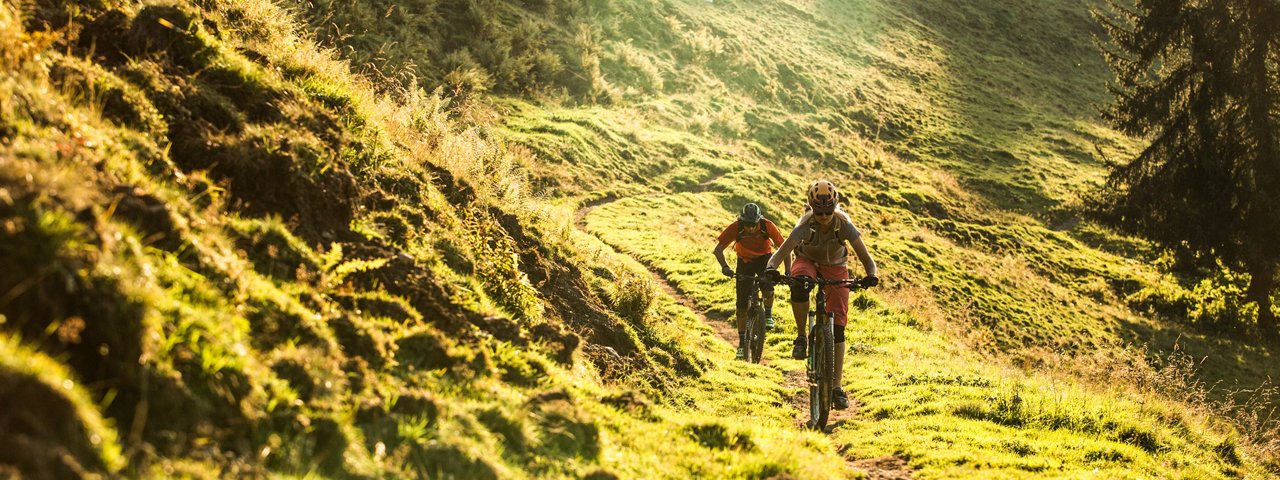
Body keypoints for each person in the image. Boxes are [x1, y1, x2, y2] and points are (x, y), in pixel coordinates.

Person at [764, 180, 879, 410]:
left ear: (835, 206)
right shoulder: (805, 226)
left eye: (828, 211)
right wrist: (770, 269)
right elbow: (780, 253)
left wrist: (871, 275)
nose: (824, 216)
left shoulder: (844, 224)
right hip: (807, 260)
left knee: (838, 329)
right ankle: (801, 337)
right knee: (799, 282)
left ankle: (836, 387)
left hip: (836, 264)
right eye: (819, 211)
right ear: (811, 207)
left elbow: (866, 258)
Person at [714, 203, 788, 360]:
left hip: (764, 259)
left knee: (768, 286)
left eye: (753, 224)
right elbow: (718, 249)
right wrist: (725, 267)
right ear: (742, 221)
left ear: (758, 220)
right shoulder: (736, 227)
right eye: (747, 224)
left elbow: (785, 248)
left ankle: (767, 314)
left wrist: (788, 271)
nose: (750, 228)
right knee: (741, 305)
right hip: (744, 262)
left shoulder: (767, 226)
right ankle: (741, 344)